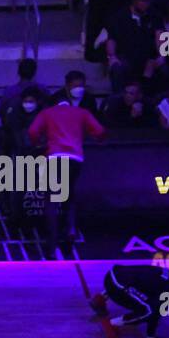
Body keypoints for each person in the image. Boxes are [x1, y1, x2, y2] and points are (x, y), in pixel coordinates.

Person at [27, 87, 107, 256]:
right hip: (75, 159)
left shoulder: (47, 113)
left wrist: (37, 144)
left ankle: (52, 242)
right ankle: (71, 229)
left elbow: (33, 131)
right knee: (69, 196)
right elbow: (100, 132)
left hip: (54, 157)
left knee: (51, 199)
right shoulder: (81, 112)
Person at [89, 265, 169, 338]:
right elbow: (155, 313)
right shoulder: (166, 292)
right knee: (148, 310)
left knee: (137, 287)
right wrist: (151, 337)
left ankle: (100, 298)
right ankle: (111, 325)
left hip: (112, 275)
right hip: (116, 286)